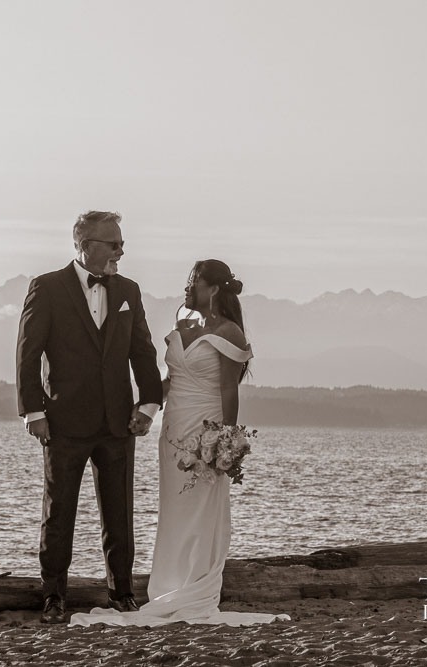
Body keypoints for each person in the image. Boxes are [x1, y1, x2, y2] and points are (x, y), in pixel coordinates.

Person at [69, 259, 289, 627]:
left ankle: (195, 590)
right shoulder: (182, 320)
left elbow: (228, 391)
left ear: (213, 288)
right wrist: (147, 411)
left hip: (206, 428)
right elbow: (170, 380)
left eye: (194, 282)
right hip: (173, 429)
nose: (187, 288)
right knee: (173, 509)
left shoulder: (230, 332)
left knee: (201, 510)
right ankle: (168, 587)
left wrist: (225, 440)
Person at [16, 210, 164, 624]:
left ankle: (122, 592)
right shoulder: (46, 288)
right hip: (62, 421)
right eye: (113, 243)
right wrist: (33, 410)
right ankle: (53, 596)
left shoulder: (129, 291)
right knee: (58, 511)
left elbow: (143, 351)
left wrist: (148, 405)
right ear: (85, 246)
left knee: (119, 512)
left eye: (122, 243)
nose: (120, 250)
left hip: (118, 422)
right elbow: (27, 354)